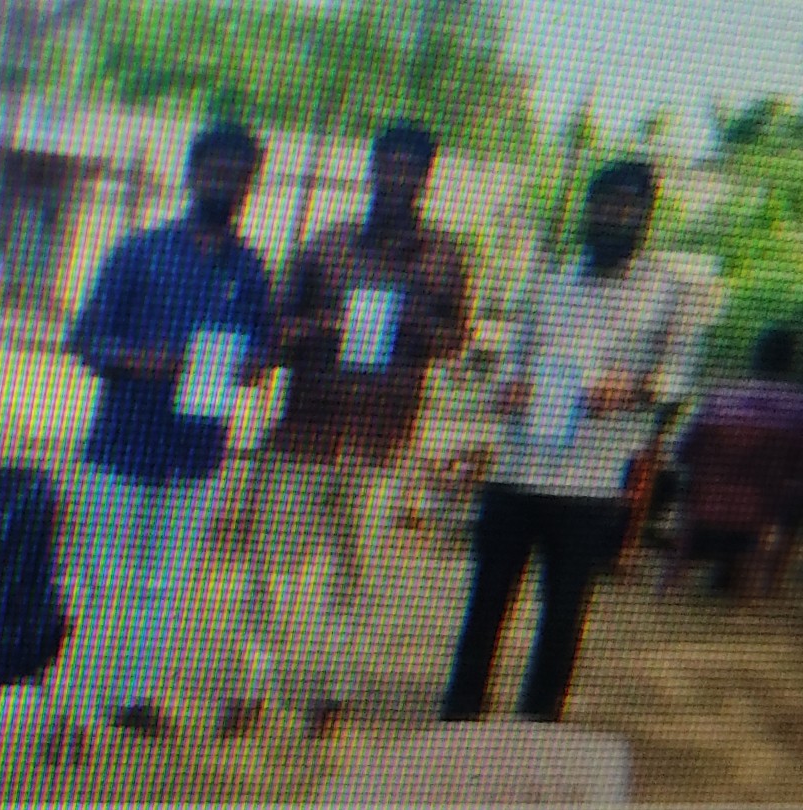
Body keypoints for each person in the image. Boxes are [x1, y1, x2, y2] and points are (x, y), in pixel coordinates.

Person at [222, 120, 470, 738]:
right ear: (371, 169)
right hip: (304, 435)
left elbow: (456, 341)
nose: (396, 178)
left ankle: (333, 695)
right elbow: (276, 331)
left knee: (358, 573)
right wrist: (323, 328)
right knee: (271, 568)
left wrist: (410, 325)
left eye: (410, 168)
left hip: (383, 442)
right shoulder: (326, 245)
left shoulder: (444, 257)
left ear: (427, 177)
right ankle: (251, 688)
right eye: (387, 165)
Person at [441, 159, 705, 724]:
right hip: (517, 470)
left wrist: (635, 386)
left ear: (646, 216)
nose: (613, 215)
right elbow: (512, 359)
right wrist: (507, 387)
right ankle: (461, 709)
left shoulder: (670, 293)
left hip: (591, 481)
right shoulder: (550, 281)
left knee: (563, 610)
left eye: (628, 206)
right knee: (487, 599)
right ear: (589, 208)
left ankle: (538, 720)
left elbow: (679, 377)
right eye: (604, 203)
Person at [56, 122, 275, 737]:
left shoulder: (251, 269)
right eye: (216, 171)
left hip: (197, 455)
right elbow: (84, 338)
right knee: (104, 581)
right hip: (121, 449)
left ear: (252, 186)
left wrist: (254, 366)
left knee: (166, 586)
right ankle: (73, 709)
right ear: (191, 173)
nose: (226, 184)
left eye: (240, 176)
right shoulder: (140, 251)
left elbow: (262, 347)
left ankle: (131, 696)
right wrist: (141, 360)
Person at [665, 326, 803, 598]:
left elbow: (682, 452)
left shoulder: (719, 398)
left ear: (754, 356)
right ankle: (767, 585)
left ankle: (673, 575)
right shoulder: (797, 408)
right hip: (764, 506)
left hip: (706, 500)